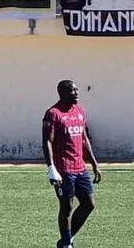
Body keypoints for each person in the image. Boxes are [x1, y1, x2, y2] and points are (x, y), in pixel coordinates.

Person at [43, 80, 102, 248]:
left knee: (89, 204)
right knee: (67, 207)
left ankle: (66, 240)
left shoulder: (79, 111)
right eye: (72, 91)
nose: (76, 93)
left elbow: (84, 139)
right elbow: (46, 141)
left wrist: (94, 164)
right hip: (64, 169)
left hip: (80, 167)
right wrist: (51, 168)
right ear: (62, 93)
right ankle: (67, 244)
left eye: (76, 90)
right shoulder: (53, 114)